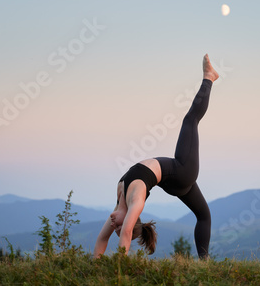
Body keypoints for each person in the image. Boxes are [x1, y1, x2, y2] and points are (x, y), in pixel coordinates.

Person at [93, 54, 219, 259]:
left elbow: (101, 240)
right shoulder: (136, 200)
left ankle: (205, 264)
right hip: (182, 171)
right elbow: (126, 232)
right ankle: (209, 78)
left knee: (204, 215)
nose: (113, 223)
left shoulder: (120, 202)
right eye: (119, 225)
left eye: (114, 226)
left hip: (171, 181)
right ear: (130, 221)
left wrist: (96, 266)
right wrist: (119, 267)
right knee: (190, 121)